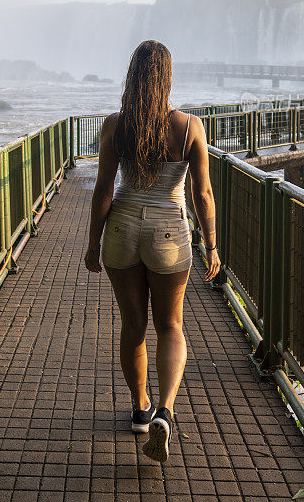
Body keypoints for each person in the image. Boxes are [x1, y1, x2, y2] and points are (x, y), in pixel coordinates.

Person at [84, 40, 220, 464]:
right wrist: (211, 244)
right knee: (171, 325)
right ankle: (166, 411)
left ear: (133, 77)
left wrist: (92, 243)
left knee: (133, 327)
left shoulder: (115, 125)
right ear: (167, 76)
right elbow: (203, 193)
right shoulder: (189, 126)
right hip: (168, 233)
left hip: (123, 229)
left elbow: (104, 190)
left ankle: (140, 409)